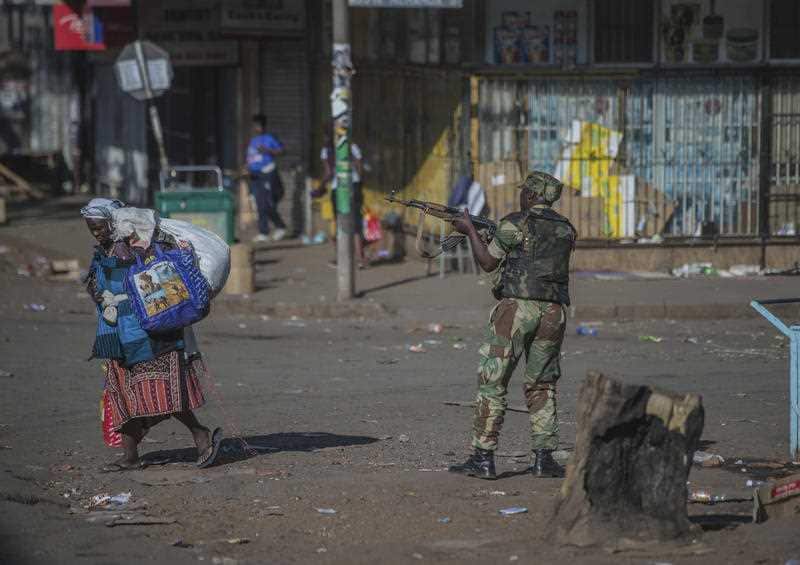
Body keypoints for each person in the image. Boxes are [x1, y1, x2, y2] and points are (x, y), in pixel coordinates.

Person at [447, 172, 576, 480]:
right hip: (554, 312)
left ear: (531, 196)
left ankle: (483, 456)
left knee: (493, 381)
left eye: (523, 194)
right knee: (542, 384)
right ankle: (544, 458)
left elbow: (489, 263)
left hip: (517, 308)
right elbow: (535, 257)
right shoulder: (566, 229)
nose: (520, 198)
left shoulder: (514, 222)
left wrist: (469, 231)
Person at [81, 198, 222, 471]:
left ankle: (200, 434)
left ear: (112, 222)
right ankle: (130, 456)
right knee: (122, 395)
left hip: (151, 333)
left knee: (164, 392)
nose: (95, 232)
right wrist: (100, 295)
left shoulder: (139, 245)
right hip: (115, 334)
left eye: (98, 227)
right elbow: (94, 283)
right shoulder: (103, 251)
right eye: (91, 227)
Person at [320, 131, 367, 268]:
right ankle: (360, 258)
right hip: (354, 186)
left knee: (341, 223)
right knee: (356, 223)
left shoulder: (326, 151)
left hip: (339, 188)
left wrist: (320, 187)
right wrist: (358, 183)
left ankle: (342, 258)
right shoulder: (351, 146)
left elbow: (328, 173)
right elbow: (359, 166)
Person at [246, 114, 287, 243]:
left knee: (268, 203)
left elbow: (282, 151)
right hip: (255, 176)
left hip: (267, 173)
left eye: (258, 125)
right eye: (254, 125)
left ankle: (280, 227)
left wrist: (267, 150)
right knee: (259, 204)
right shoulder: (253, 141)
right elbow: (251, 158)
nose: (256, 127)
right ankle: (263, 232)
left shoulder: (269, 138)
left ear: (263, 125)